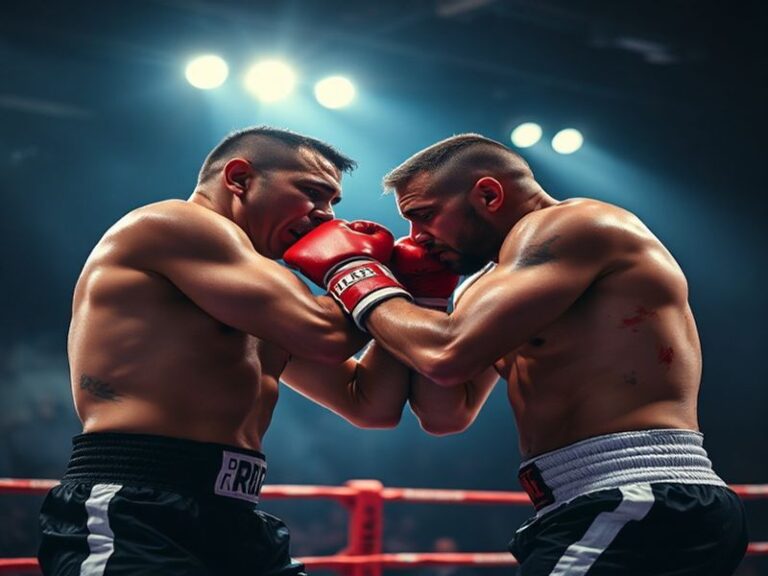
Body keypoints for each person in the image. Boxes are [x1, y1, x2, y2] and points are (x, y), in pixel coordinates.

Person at [285, 133, 749, 575]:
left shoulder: (577, 225)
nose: (416, 235)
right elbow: (445, 411)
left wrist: (352, 272)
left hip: (638, 496)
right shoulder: (487, 288)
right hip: (594, 502)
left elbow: (446, 354)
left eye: (425, 214)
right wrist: (424, 295)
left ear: (488, 194)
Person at [38, 126, 414, 576]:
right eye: (312, 193)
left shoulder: (266, 292)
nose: (326, 217)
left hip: (234, 514)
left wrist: (419, 289)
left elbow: (369, 403)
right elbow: (327, 334)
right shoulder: (172, 225)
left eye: (333, 202)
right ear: (239, 178)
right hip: (135, 505)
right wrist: (369, 274)